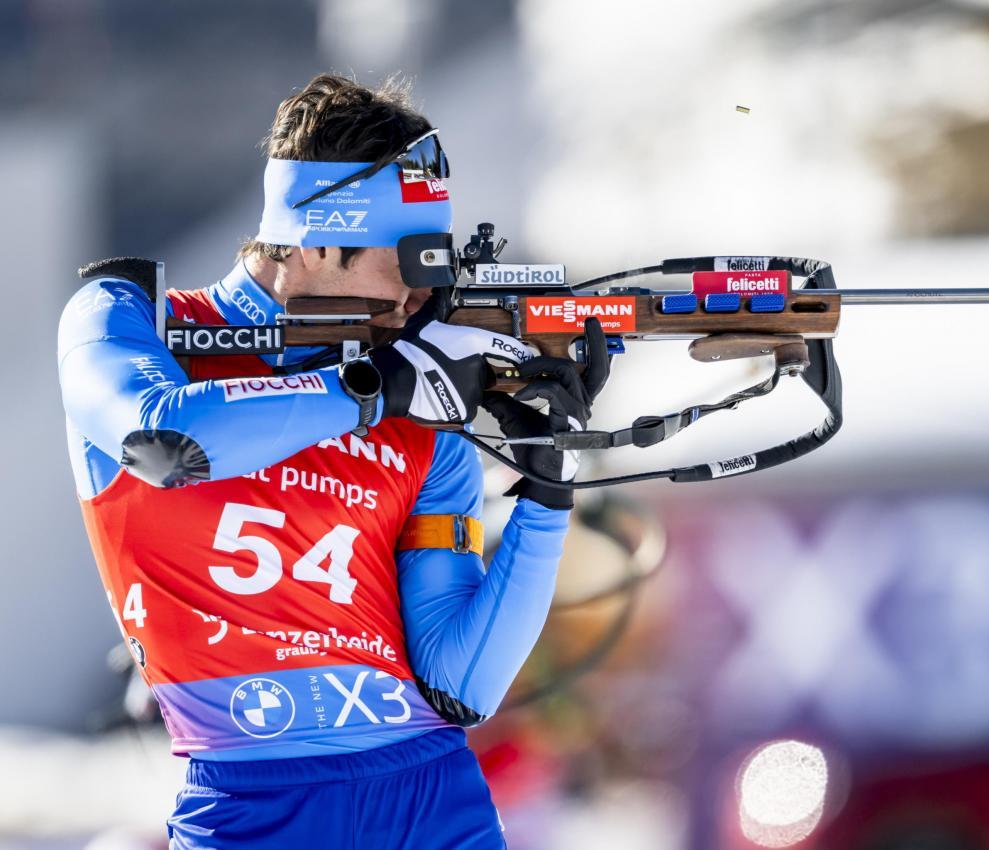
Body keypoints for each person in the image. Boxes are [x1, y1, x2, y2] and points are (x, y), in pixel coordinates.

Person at [56, 73, 608, 849]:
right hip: (251, 806)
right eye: (405, 261)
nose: (421, 297)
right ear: (314, 242)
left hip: (432, 802)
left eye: (436, 265)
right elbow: (165, 443)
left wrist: (548, 487)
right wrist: (375, 388)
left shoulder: (416, 407)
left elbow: (459, 686)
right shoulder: (131, 320)